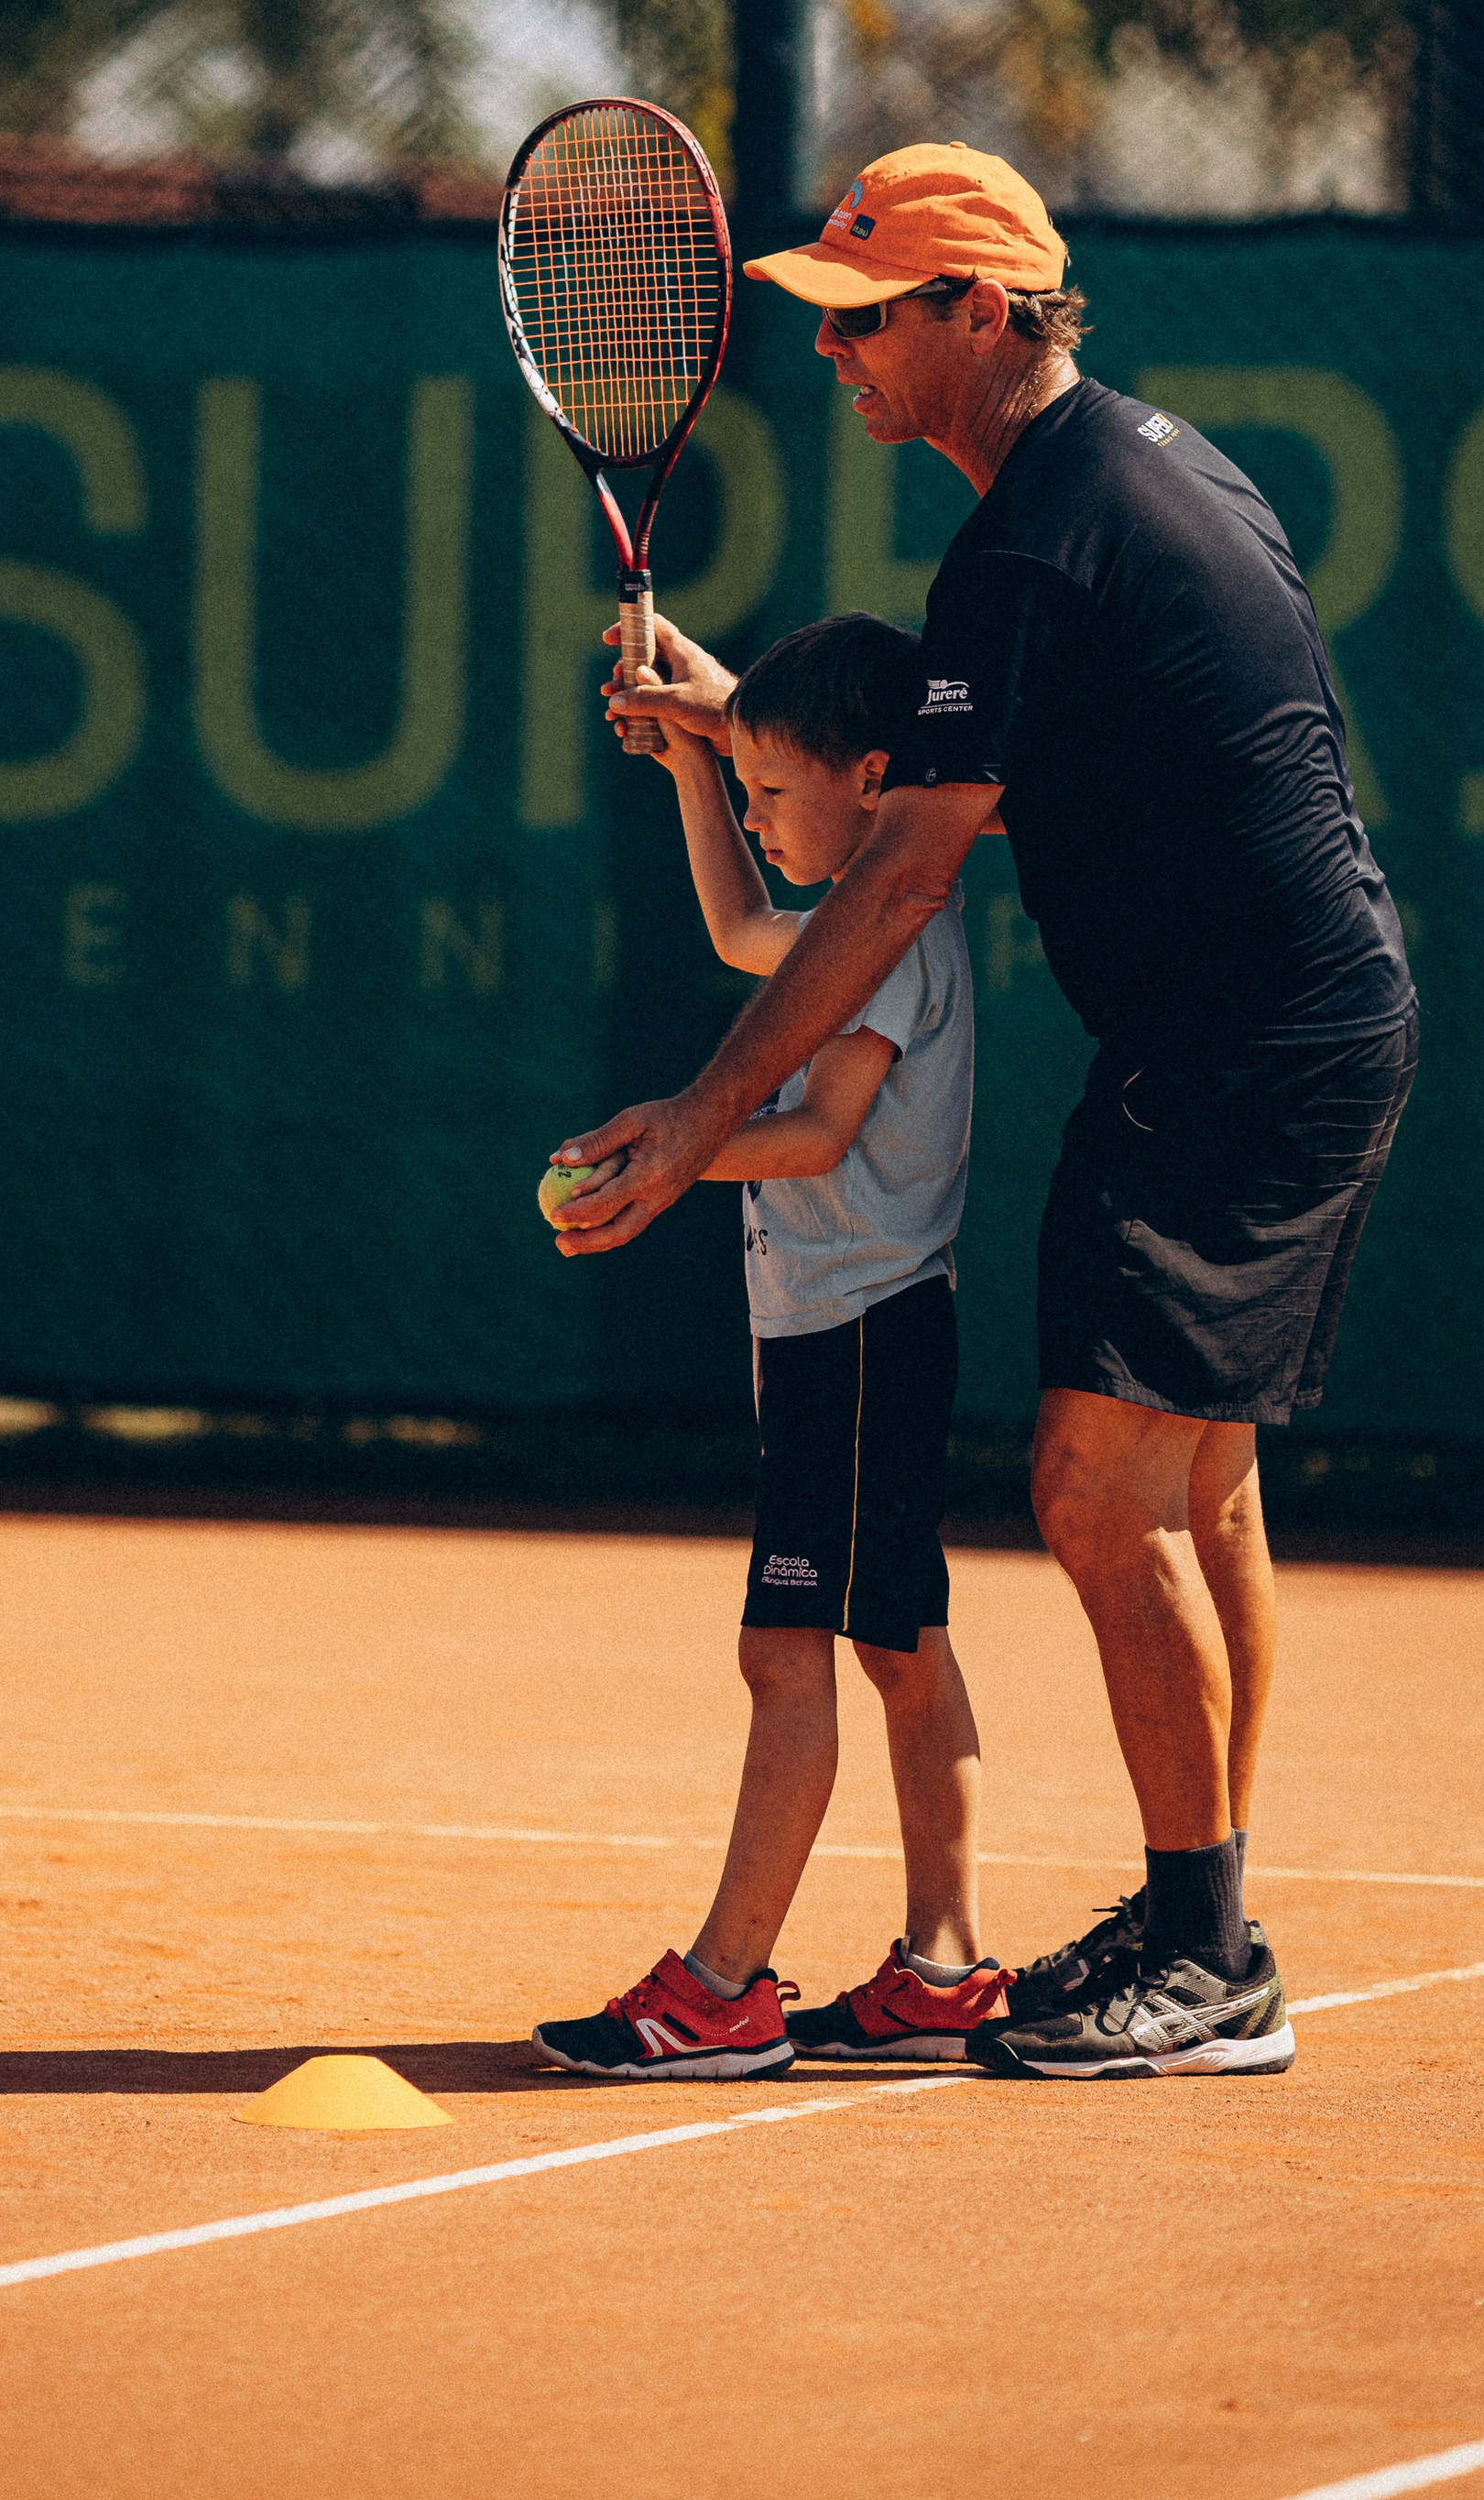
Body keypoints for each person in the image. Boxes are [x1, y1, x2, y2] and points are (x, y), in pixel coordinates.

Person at [549, 142, 1417, 2084]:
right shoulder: (1147, 468)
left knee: (1089, 1493)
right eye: (824, 315)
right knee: (1193, 1485)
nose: (837, 350)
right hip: (1292, 1022)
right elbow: (1025, 767)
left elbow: (898, 870)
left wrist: (699, 1112)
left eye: (867, 316)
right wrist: (722, 729)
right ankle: (1201, 1917)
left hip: (1234, 1046)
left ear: (979, 312)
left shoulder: (1028, 536)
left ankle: (1203, 1952)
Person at [532, 613, 1009, 2081]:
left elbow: (815, 1136)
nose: (757, 819)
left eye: (774, 796)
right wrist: (695, 758)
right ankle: (942, 1965)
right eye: (746, 796)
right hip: (851, 1334)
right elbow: (742, 932)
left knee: (786, 1647)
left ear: (876, 780)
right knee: (898, 1642)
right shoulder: (841, 924)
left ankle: (725, 1985)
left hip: (861, 1338)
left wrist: (664, 1155)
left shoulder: (895, 945)